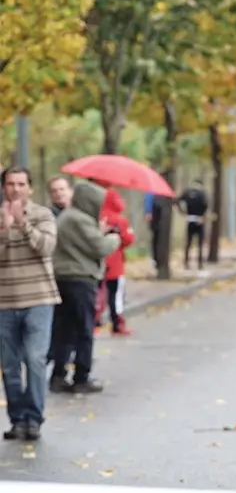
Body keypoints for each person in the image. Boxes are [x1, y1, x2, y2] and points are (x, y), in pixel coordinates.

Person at [0, 167, 60, 441]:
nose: (15, 189)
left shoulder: (43, 214)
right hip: (5, 301)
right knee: (10, 365)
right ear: (4, 187)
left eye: (21, 184)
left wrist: (23, 224)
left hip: (38, 299)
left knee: (35, 359)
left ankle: (34, 418)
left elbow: (46, 247)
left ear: (30, 188)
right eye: (10, 184)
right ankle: (18, 419)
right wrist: (4, 230)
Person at [51, 181, 121, 394]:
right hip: (79, 279)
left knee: (64, 330)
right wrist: (113, 237)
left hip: (62, 278)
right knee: (84, 329)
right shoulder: (78, 219)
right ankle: (82, 375)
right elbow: (99, 247)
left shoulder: (68, 218)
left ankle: (58, 374)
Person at [97, 188, 135, 336]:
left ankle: (95, 321)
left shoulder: (96, 217)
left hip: (98, 262)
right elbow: (128, 240)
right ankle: (117, 322)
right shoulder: (120, 220)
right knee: (116, 295)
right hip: (115, 263)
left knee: (98, 293)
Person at [176, 179, 208, 270]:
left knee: (188, 243)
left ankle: (186, 263)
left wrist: (182, 213)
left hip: (190, 219)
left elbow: (176, 201)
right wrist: (202, 215)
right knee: (200, 243)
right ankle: (200, 264)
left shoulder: (187, 192)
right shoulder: (202, 193)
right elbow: (206, 204)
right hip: (199, 220)